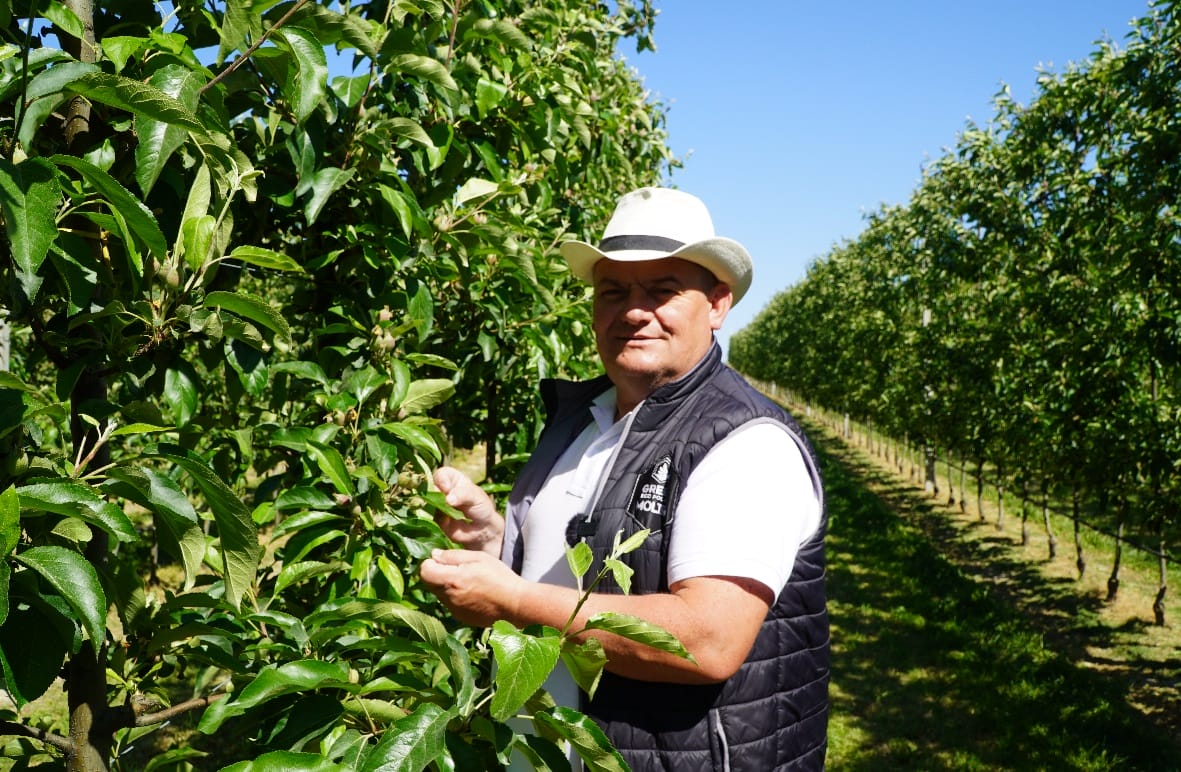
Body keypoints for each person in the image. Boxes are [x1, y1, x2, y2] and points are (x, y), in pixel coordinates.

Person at [420, 187, 829, 771]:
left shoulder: (746, 444)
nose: (634, 310)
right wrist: (490, 541)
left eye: (663, 290)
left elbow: (707, 639)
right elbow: (560, 571)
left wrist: (510, 600)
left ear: (717, 304)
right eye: (613, 291)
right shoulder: (580, 420)